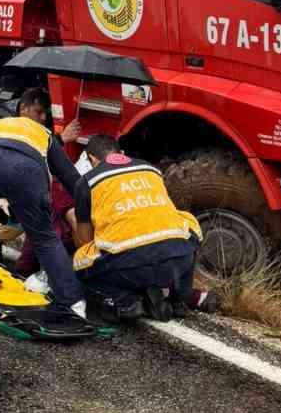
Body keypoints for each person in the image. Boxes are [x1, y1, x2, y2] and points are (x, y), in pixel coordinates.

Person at [0, 88, 86, 316]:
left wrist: (1, 217)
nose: (42, 117)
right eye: (39, 112)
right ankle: (74, 303)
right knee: (44, 238)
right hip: (25, 169)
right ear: (24, 111)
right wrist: (88, 209)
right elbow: (73, 181)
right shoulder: (43, 133)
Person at [72, 134, 219, 323]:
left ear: (91, 159)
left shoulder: (87, 182)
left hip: (131, 267)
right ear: (122, 154)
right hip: (179, 259)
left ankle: (125, 301)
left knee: (80, 261)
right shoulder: (151, 170)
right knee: (184, 225)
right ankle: (181, 295)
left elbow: (85, 240)